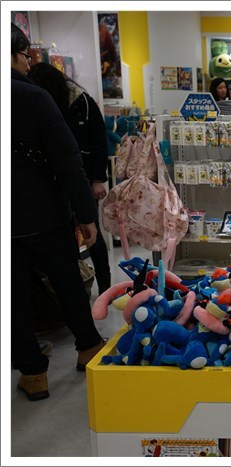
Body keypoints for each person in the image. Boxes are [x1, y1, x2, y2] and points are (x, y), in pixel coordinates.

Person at [11, 23, 106, 401]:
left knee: (14, 299)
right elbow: (67, 162)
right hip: (45, 213)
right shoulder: (33, 97)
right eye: (25, 56)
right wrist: (85, 214)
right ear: (15, 54)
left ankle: (33, 373)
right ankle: (88, 347)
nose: (27, 63)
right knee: (68, 281)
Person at [28, 62, 112, 295]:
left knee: (92, 233)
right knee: (66, 238)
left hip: (83, 179)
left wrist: (98, 179)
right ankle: (79, 286)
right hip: (55, 184)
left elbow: (99, 142)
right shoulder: (43, 105)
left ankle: (105, 285)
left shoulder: (82, 103)